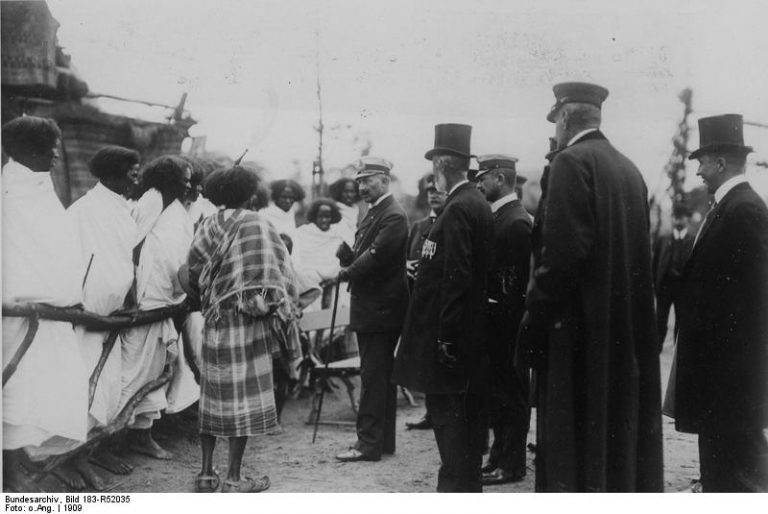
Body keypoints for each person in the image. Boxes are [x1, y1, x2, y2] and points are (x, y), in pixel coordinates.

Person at [518, 82, 663, 492]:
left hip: (575, 336)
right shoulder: (629, 170)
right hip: (620, 335)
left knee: (569, 445)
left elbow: (562, 256)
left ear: (564, 117)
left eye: (556, 120)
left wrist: (534, 319)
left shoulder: (569, 163)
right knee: (611, 441)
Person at [184, 165, 301, 492]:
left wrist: (214, 292)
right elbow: (280, 268)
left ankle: (207, 474)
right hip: (250, 321)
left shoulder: (207, 224)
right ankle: (234, 478)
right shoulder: (259, 223)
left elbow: (192, 268)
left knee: (212, 394)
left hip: (216, 320)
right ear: (250, 194)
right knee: (245, 398)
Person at [393, 123, 493, 492]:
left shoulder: (460, 207)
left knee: (450, 420)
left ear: (442, 165)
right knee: (457, 420)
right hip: (457, 331)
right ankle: (461, 486)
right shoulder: (470, 203)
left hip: (449, 335)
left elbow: (458, 278)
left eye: (435, 163)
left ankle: (455, 490)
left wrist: (447, 337)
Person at [673, 114, 768, 492]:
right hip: (720, 365)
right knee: (721, 454)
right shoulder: (728, 207)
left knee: (738, 464)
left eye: (701, 161)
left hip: (732, 368)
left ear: (720, 162)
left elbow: (756, 295)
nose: (697, 170)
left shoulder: (744, 210)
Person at [2, 116, 89, 492]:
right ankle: (10, 474)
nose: (56, 155)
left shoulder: (40, 187)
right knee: (14, 392)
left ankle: (30, 462)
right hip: (16, 313)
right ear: (28, 152)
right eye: (49, 148)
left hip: (51, 315)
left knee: (45, 392)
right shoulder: (9, 191)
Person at [66, 145, 141, 489]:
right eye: (131, 171)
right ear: (111, 173)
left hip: (115, 313)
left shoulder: (124, 210)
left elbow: (125, 260)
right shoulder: (84, 210)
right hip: (87, 316)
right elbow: (74, 262)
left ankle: (96, 450)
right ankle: (75, 458)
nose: (136, 177)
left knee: (109, 387)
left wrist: (128, 298)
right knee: (84, 388)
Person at [119, 155, 197, 460]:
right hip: (146, 296)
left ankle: (142, 435)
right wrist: (132, 292)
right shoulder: (153, 199)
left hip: (169, 295)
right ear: (168, 177)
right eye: (184, 177)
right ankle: (119, 435)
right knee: (135, 368)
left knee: (157, 366)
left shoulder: (177, 207)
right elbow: (132, 245)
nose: (188, 184)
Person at [334, 157, 409, 463]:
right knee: (381, 377)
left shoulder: (393, 215)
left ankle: (367, 444)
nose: (362, 186)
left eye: (368, 180)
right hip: (375, 306)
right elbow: (369, 252)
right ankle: (382, 441)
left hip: (380, 308)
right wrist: (349, 257)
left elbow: (377, 256)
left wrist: (346, 272)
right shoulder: (376, 211)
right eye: (360, 181)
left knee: (373, 376)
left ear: (385, 181)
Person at [473, 154, 532, 485]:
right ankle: (499, 457)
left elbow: (514, 288)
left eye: (483, 177)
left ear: (499, 178)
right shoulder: (502, 217)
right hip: (496, 325)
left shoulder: (515, 222)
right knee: (500, 396)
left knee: (512, 397)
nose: (479, 183)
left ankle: (511, 464)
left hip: (507, 328)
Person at [403, 173, 447, 432]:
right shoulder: (419, 226)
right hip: (420, 301)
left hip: (442, 302)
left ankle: (444, 415)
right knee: (426, 358)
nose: (433, 194)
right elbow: (406, 257)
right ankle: (431, 412)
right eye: (429, 190)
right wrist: (407, 266)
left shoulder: (452, 222)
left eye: (438, 190)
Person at [652, 204, 694, 348]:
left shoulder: (693, 241)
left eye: (681, 218)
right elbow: (655, 263)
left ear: (687, 220)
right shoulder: (664, 239)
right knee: (660, 320)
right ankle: (656, 349)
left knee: (681, 320)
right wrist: (654, 283)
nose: (677, 221)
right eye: (675, 217)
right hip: (664, 286)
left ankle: (678, 351)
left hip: (682, 289)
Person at [294, 198, 345, 304]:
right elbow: (300, 260)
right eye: (320, 216)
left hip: (334, 280)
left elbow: (338, 261)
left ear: (333, 217)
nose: (324, 220)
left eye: (327, 217)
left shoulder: (337, 234)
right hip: (311, 280)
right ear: (314, 216)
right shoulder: (303, 232)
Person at [260, 178, 305, 243]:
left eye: (291, 197)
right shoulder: (264, 213)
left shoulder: (290, 213)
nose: (288, 201)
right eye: (284, 197)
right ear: (275, 197)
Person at [329, 177, 361, 247]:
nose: (349, 195)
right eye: (346, 191)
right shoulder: (333, 210)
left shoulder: (358, 211)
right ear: (339, 193)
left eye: (352, 192)